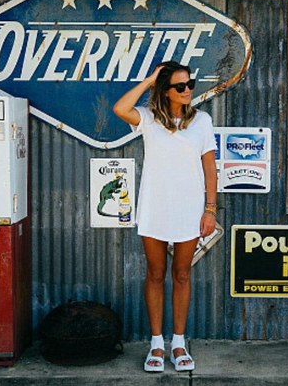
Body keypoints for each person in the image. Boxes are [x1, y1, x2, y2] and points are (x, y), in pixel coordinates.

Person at [113, 61, 217, 372]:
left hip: (189, 209)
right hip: (155, 207)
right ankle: (156, 343)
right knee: (156, 274)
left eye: (190, 84)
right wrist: (148, 81)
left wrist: (210, 209)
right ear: (166, 91)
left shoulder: (202, 121)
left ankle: (179, 343)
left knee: (182, 274)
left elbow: (210, 168)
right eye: (180, 86)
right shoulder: (148, 119)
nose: (188, 91)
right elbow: (120, 108)